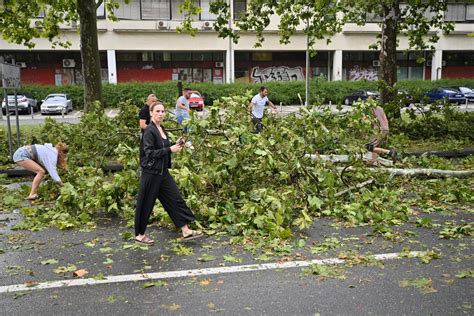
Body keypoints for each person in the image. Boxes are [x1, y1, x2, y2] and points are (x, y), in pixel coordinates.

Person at [135, 102, 202, 244]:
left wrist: (176, 144)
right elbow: (149, 153)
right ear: (151, 113)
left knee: (175, 199)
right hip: (151, 173)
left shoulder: (161, 128)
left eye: (163, 111)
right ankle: (139, 234)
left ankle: (186, 230)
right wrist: (170, 150)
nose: (160, 114)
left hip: (162, 172)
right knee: (146, 203)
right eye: (157, 111)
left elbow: (164, 145)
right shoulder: (149, 131)